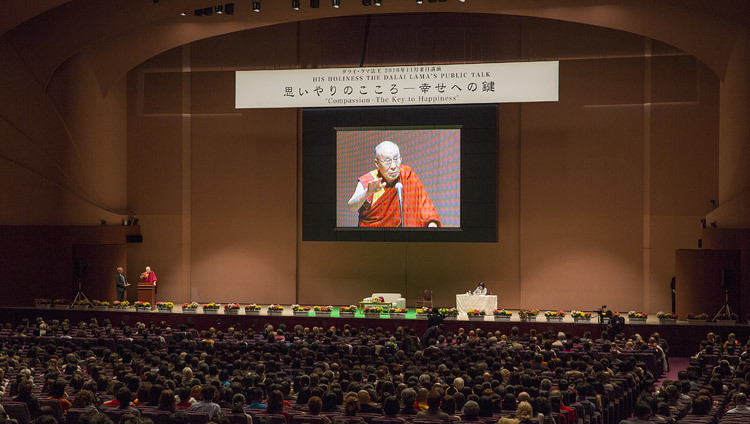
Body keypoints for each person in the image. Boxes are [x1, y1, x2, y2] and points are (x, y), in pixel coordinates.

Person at [347, 141, 441, 227]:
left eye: (396, 159)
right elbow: (352, 206)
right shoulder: (370, 180)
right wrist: (367, 192)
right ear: (377, 163)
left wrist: (432, 224)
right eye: (387, 161)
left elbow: (424, 205)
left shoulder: (407, 174)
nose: (393, 166)